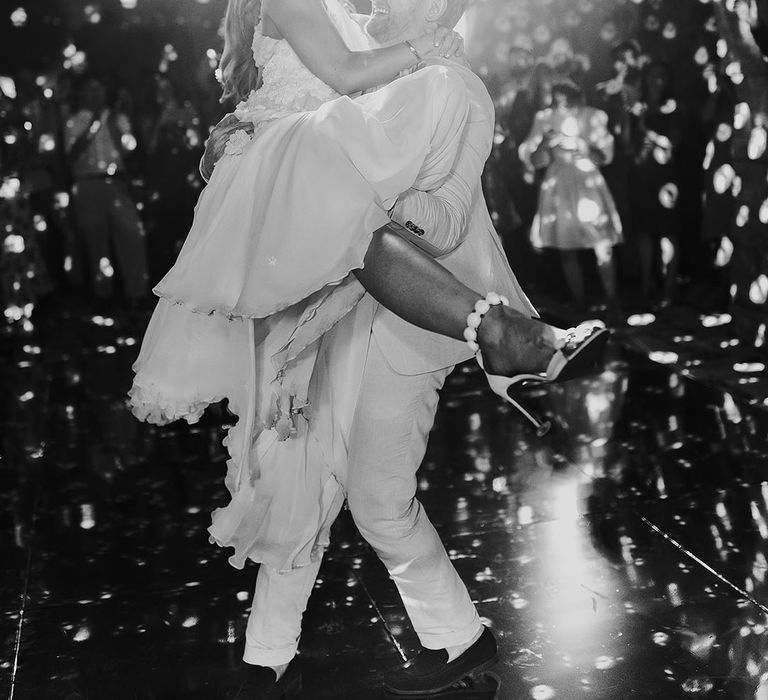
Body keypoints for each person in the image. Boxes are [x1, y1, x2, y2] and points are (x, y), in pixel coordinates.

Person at [130, 0, 609, 697]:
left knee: (350, 486)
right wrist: (248, 140)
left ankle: (501, 333)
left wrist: (419, 60)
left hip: (403, 315)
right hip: (318, 297)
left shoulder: (438, 96)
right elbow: (334, 78)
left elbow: (440, 220)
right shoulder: (351, 66)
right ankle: (343, 653)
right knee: (312, 473)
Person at [520, 79, 622, 317]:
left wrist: (579, 144)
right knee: (566, 248)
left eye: (566, 97)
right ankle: (580, 302)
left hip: (588, 182)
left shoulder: (593, 116)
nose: (561, 103)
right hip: (558, 186)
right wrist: (545, 144)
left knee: (602, 243)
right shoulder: (544, 119)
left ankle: (613, 301)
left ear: (576, 95)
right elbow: (536, 161)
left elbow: (605, 157)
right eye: (556, 98)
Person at [64, 74, 149, 305]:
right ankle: (103, 295)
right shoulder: (74, 121)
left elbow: (128, 150)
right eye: (90, 89)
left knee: (132, 236)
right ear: (82, 94)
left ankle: (136, 293)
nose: (95, 94)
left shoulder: (117, 118)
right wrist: (93, 124)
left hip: (117, 184)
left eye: (99, 89)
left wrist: (110, 122)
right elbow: (71, 155)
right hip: (87, 184)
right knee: (95, 241)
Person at [628, 62, 682, 305]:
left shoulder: (672, 109)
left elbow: (673, 143)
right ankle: (647, 284)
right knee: (644, 232)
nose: (656, 80)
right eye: (651, 76)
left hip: (666, 180)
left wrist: (646, 131)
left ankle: (669, 285)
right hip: (641, 177)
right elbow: (628, 147)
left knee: (667, 231)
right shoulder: (638, 109)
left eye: (661, 75)